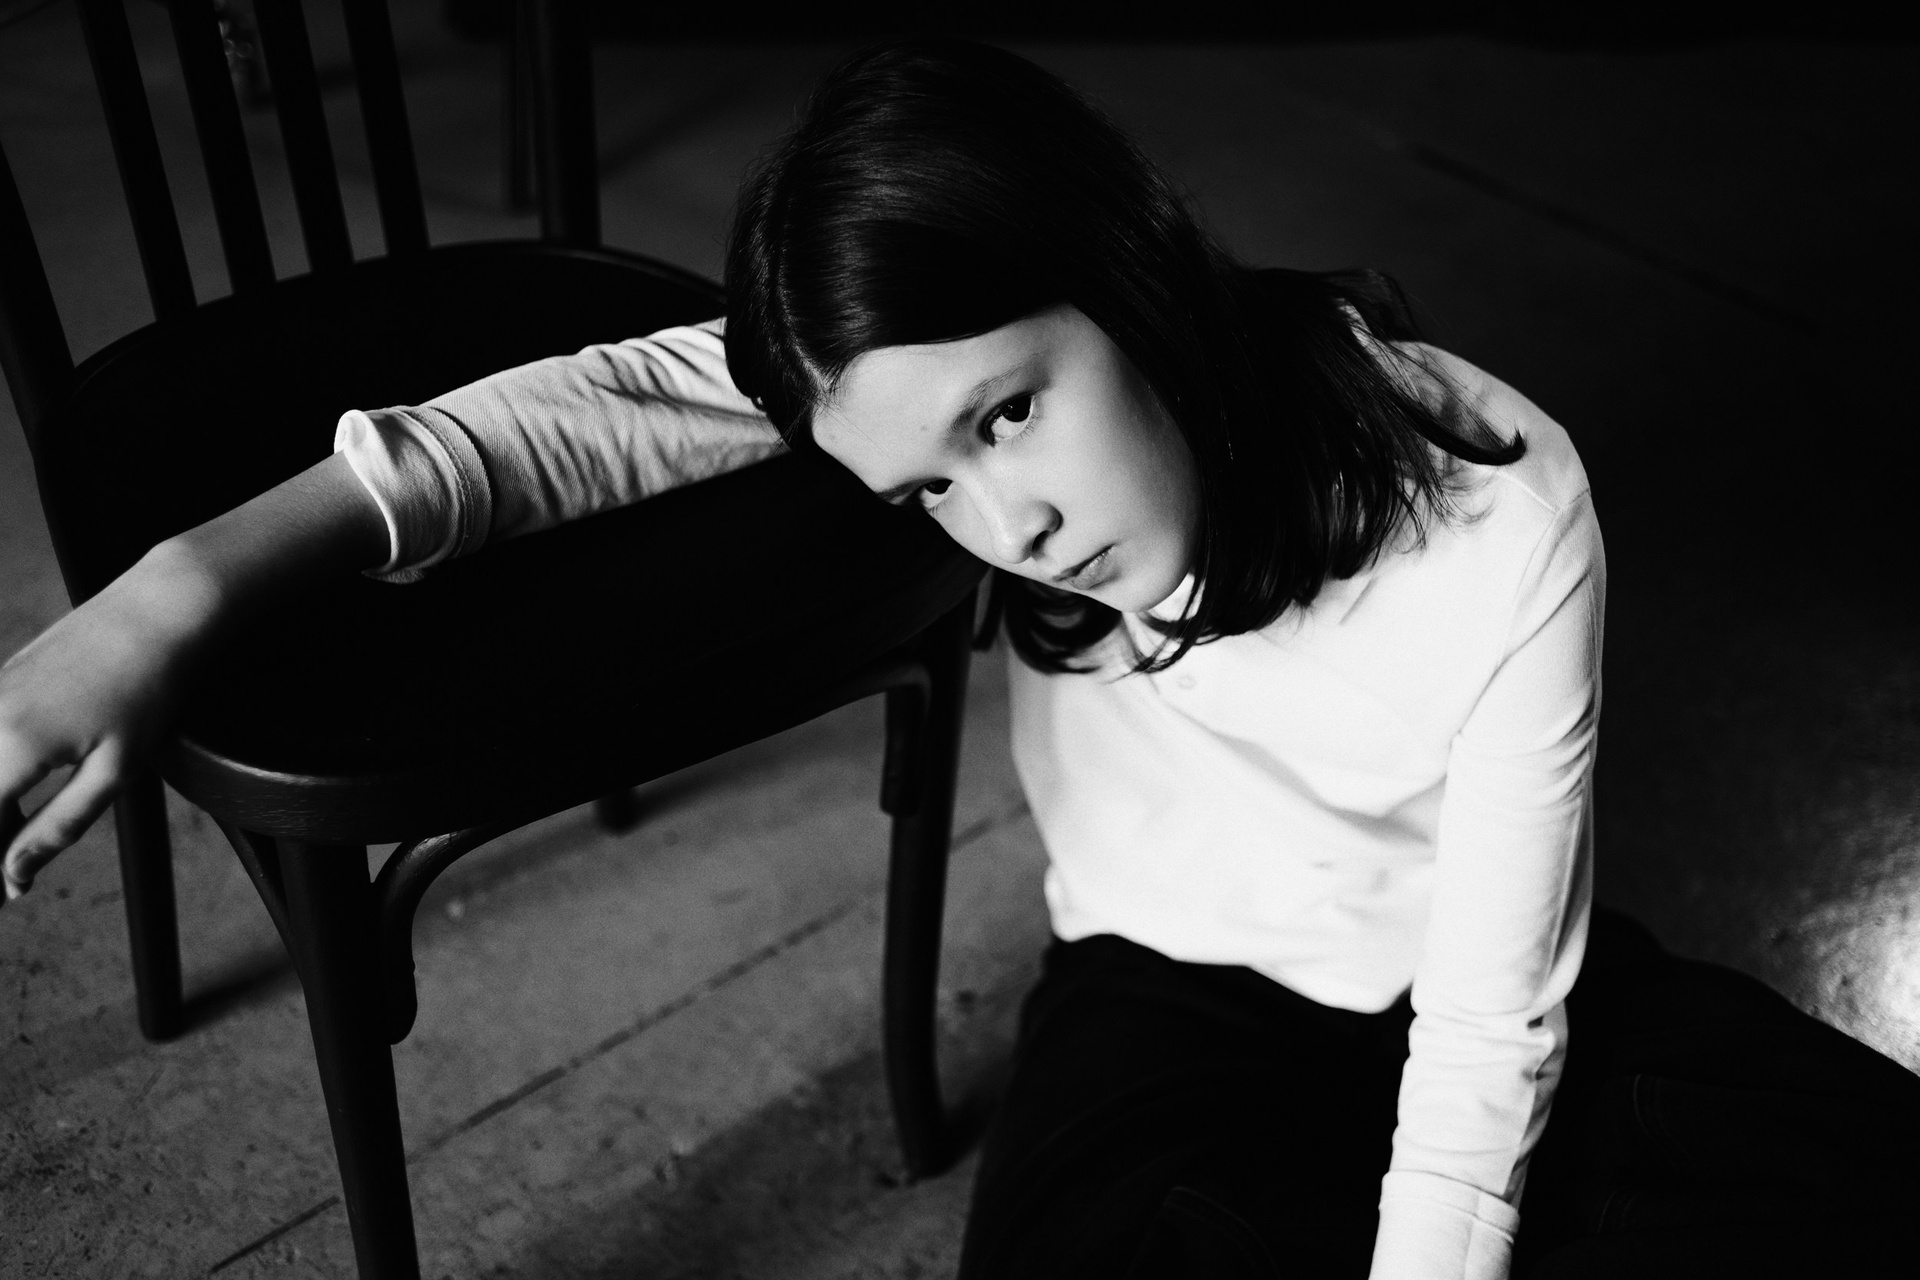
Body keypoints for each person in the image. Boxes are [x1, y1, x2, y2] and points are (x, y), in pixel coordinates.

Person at [1, 38, 1913, 1280]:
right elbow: (565, 424)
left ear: (1124, 268)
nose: (1007, 527)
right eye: (925, 487)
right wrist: (169, 600)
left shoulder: (1493, 511)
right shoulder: (900, 389)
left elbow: (1490, 1046)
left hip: (1476, 981)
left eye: (1010, 416)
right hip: (1165, 1000)